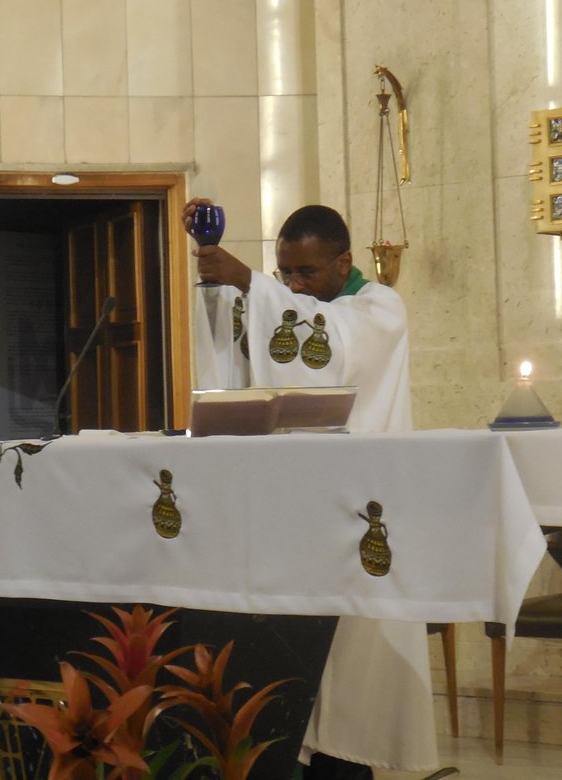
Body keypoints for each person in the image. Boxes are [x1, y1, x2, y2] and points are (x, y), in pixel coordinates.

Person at [183, 200, 435, 779]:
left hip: (363, 515)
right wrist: (217, 289)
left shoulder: (380, 308)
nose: (294, 284)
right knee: (293, 673)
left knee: (351, 680)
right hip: (295, 513)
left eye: (307, 272)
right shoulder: (286, 305)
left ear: (343, 261)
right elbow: (244, 369)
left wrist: (250, 282)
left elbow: (331, 349)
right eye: (284, 273)